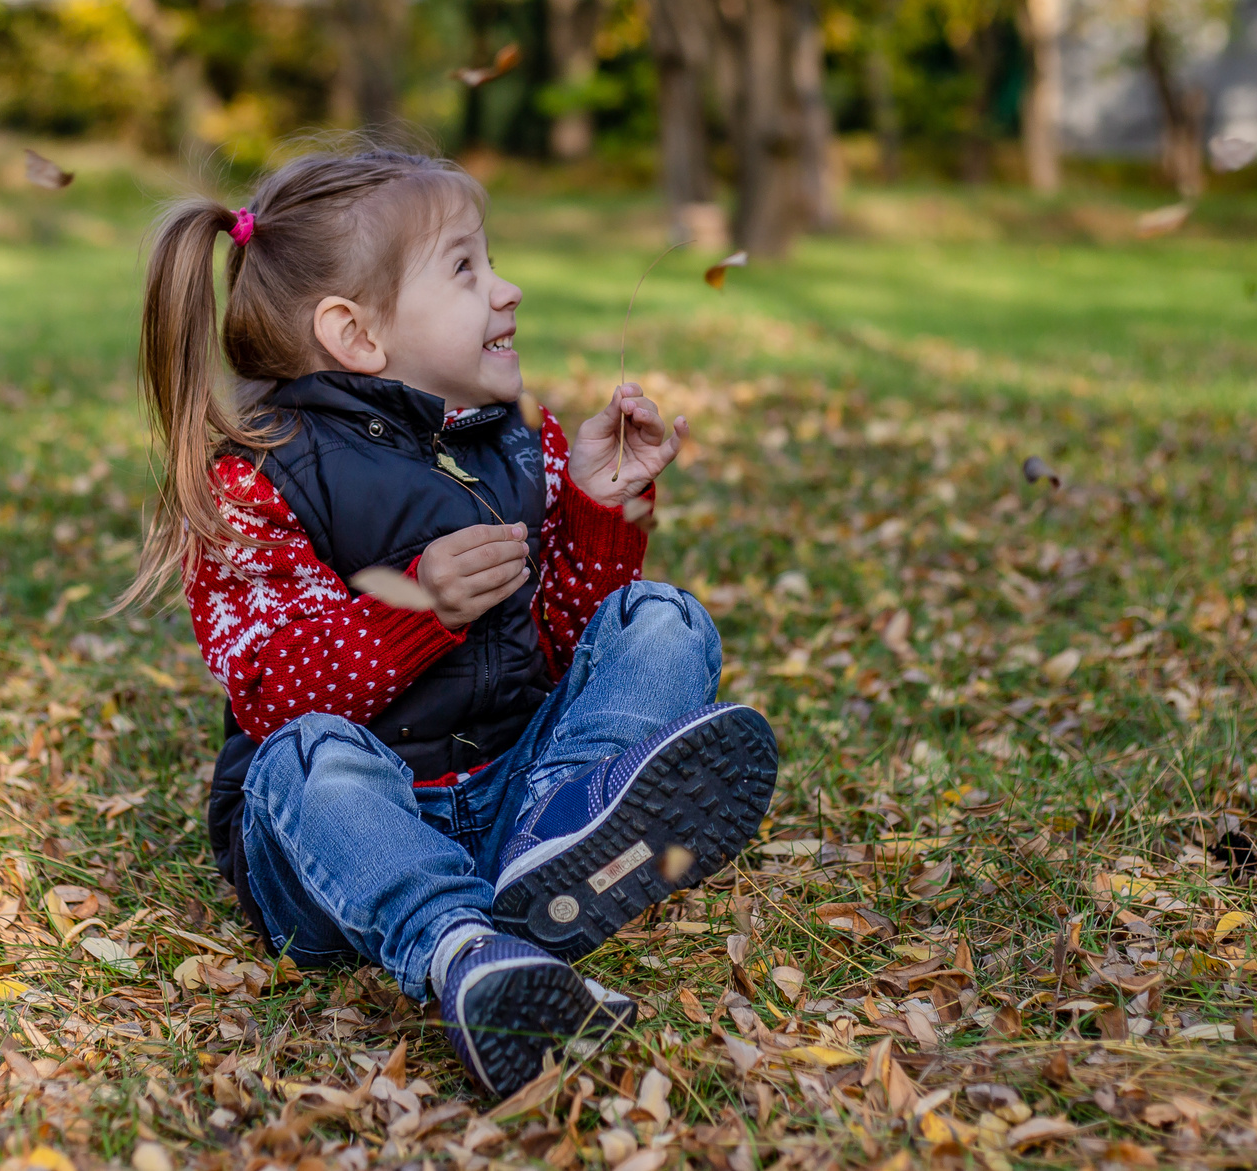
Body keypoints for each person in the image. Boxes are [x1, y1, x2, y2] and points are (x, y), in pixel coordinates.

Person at [128, 144, 778, 1095]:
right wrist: (415, 607)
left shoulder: (519, 439)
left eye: (492, 260)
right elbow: (274, 692)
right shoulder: (256, 478)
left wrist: (595, 507)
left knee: (663, 619)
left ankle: (557, 833)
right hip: (347, 841)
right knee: (301, 758)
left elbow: (565, 637)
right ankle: (462, 946)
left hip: (512, 785)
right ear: (355, 332)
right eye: (466, 268)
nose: (507, 290)